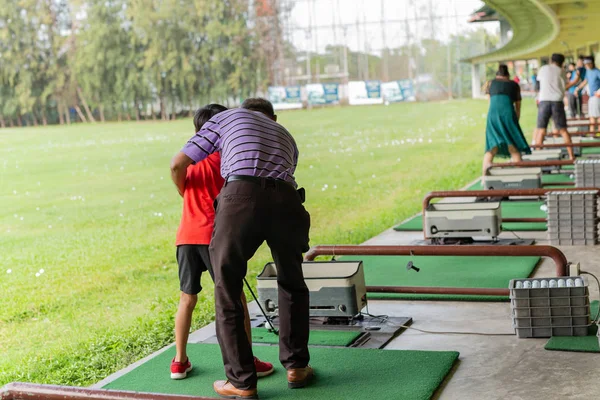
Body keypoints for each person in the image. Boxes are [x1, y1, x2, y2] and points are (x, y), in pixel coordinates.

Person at [170, 98, 312, 399]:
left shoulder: (225, 118)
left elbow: (178, 163)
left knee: (227, 287)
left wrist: (183, 191)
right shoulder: (284, 132)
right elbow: (283, 175)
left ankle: (242, 382)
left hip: (241, 194)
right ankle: (297, 367)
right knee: (292, 283)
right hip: (287, 200)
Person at [170, 104, 274, 381]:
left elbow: (181, 182)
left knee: (186, 299)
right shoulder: (226, 160)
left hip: (185, 238)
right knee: (235, 299)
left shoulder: (189, 165)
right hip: (214, 238)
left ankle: (179, 361)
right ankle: (247, 359)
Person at [482, 65, 530, 176]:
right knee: (513, 147)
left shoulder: (490, 83)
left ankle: (484, 180)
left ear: (497, 74)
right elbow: (518, 107)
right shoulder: (514, 85)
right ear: (508, 75)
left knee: (491, 148)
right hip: (508, 115)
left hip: (492, 116)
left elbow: (490, 103)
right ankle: (520, 178)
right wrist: (515, 122)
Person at [533, 53, 576, 159]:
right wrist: (576, 80)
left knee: (541, 129)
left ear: (551, 60)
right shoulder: (562, 71)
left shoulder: (543, 69)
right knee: (563, 130)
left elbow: (538, 86)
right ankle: (571, 156)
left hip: (544, 101)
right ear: (562, 62)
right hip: (557, 101)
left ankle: (538, 157)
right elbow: (565, 87)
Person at [574, 57, 600, 133]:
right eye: (585, 64)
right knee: (591, 116)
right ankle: (592, 134)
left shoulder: (597, 71)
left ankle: (597, 133)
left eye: (587, 64)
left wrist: (599, 91)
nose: (586, 65)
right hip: (591, 97)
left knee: (598, 116)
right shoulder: (588, 72)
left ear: (591, 63)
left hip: (597, 97)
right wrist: (577, 88)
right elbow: (585, 81)